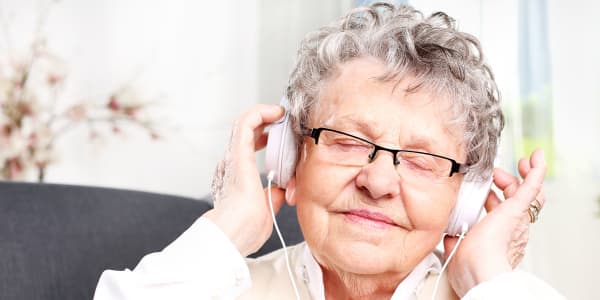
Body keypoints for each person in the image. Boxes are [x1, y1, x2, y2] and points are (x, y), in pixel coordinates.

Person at [94, 3, 565, 299]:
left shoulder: (500, 291)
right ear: (290, 161)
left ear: (464, 200)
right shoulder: (212, 289)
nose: (377, 183)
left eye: (423, 159)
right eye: (347, 141)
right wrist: (230, 226)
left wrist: (487, 273)